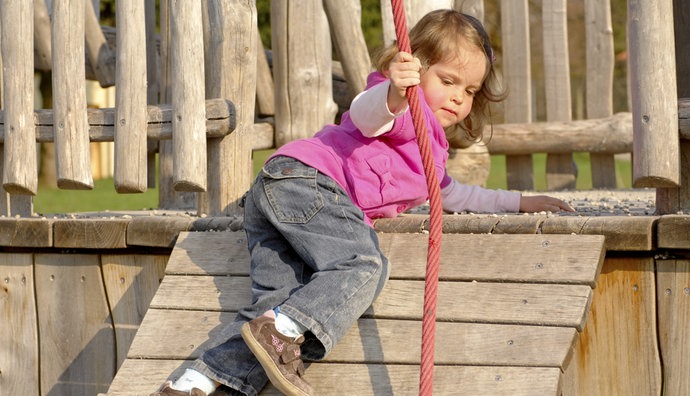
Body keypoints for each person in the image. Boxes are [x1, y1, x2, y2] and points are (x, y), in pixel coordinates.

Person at [152, 9, 574, 396]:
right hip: (308, 182)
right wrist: (395, 89)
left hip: (276, 188)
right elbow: (367, 115)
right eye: (447, 81)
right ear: (416, 68)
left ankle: (195, 383)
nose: (459, 98)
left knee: (274, 306)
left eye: (470, 90)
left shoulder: (429, 149)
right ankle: (278, 331)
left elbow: (453, 194)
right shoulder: (403, 107)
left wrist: (520, 200)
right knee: (362, 264)